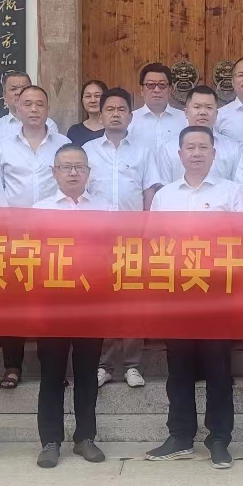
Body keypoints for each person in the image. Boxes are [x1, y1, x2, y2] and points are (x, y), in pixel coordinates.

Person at [146, 126, 243, 470]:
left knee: (218, 368)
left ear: (213, 153)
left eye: (202, 147)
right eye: (189, 147)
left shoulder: (230, 192)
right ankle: (180, 436)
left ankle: (219, 439)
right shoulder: (165, 196)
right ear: (179, 154)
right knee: (179, 368)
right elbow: (152, 242)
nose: (196, 153)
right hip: (177, 293)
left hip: (217, 293)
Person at [32, 143, 111, 468]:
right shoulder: (38, 211)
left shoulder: (107, 210)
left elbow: (114, 255)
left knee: (87, 373)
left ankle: (85, 438)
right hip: (52, 305)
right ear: (54, 172)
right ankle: (50, 441)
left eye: (79, 167)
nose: (73, 173)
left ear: (89, 173)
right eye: (66, 167)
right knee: (51, 374)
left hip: (92, 304)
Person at [0, 85, 68, 390]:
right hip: (14, 234)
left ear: (48, 109)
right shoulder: (4, 146)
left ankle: (53, 367)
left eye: (40, 104)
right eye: (27, 104)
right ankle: (12, 366)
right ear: (17, 108)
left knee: (52, 299)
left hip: (54, 234)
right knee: (14, 300)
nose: (34, 109)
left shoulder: (63, 144)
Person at [87, 87, 162, 389]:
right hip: (97, 239)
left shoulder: (143, 151)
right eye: (110, 109)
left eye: (121, 109)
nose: (115, 114)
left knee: (132, 301)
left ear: (131, 116)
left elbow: (149, 191)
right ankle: (103, 365)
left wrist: (147, 231)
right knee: (101, 302)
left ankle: (132, 365)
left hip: (133, 238)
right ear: (101, 114)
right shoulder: (88, 150)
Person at [155, 85, 242, 184]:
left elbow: (238, 187)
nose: (203, 112)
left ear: (216, 114)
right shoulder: (168, 149)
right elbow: (164, 188)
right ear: (186, 112)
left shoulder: (232, 148)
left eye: (209, 107)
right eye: (197, 107)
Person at [0, 70, 59, 148]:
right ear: (5, 96)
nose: (19, 92)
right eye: (13, 89)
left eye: (24, 89)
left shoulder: (48, 124)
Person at [128, 63, 188, 150]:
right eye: (150, 85)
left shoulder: (184, 119)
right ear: (141, 90)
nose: (157, 90)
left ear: (170, 89)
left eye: (162, 85)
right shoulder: (130, 120)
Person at [67, 79, 107, 146]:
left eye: (97, 96)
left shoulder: (115, 129)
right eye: (88, 96)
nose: (93, 100)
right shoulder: (74, 131)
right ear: (82, 100)